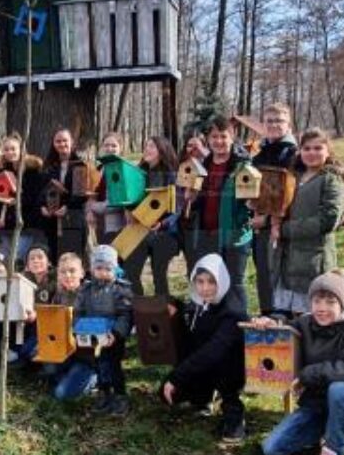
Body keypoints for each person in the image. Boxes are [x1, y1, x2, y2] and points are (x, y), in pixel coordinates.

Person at [254, 272, 344, 455]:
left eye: (330, 302)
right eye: (317, 301)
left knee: (338, 388)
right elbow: (289, 325)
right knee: (271, 449)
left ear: (342, 303)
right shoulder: (307, 322)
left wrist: (307, 375)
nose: (322, 308)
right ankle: (330, 432)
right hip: (317, 404)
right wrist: (271, 321)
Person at [159, 253, 247, 440]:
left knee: (223, 367)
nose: (205, 288)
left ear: (221, 281)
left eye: (211, 282)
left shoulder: (232, 311)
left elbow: (214, 350)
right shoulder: (199, 305)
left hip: (230, 368)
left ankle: (233, 412)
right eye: (200, 282)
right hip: (206, 365)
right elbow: (193, 338)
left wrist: (177, 377)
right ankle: (203, 397)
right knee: (168, 394)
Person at [271, 129, 344, 316]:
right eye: (307, 148)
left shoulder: (332, 179)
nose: (311, 153)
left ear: (328, 151)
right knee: (289, 317)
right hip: (287, 260)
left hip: (314, 260)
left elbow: (328, 220)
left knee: (313, 316)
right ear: (299, 151)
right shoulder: (293, 177)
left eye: (318, 148)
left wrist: (284, 230)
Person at [181, 117, 254, 314]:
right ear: (208, 139)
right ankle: (209, 320)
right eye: (214, 137)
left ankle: (237, 322)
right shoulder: (202, 165)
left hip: (234, 233)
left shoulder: (243, 165)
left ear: (232, 137)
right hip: (206, 233)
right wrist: (191, 197)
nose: (219, 141)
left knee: (234, 281)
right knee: (209, 280)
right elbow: (197, 200)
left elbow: (251, 203)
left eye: (223, 136)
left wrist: (250, 207)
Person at [53, 245, 133, 413]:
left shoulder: (120, 289)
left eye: (107, 269)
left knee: (113, 366)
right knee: (99, 365)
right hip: (92, 335)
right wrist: (79, 327)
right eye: (99, 268)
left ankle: (120, 395)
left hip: (112, 338)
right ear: (92, 269)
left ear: (115, 269)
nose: (103, 272)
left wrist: (116, 333)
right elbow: (78, 311)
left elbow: (125, 314)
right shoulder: (86, 290)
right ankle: (103, 393)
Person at [248, 103, 299, 315]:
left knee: (283, 277)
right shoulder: (259, 156)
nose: (274, 125)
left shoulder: (295, 156)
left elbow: (297, 196)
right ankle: (267, 320)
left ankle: (286, 321)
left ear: (289, 125)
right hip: (260, 228)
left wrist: (271, 220)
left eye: (279, 121)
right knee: (264, 276)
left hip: (285, 227)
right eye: (269, 121)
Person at [120, 136, 181, 298]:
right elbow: (131, 201)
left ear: (162, 150)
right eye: (146, 146)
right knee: (130, 272)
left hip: (165, 233)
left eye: (152, 146)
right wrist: (129, 210)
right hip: (140, 231)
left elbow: (177, 210)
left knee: (159, 274)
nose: (147, 149)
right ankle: (138, 306)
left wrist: (162, 224)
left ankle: (162, 308)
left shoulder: (171, 175)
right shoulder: (139, 174)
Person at [26, 128, 92, 260]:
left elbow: (80, 194)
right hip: (51, 221)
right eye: (58, 141)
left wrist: (67, 207)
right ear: (53, 143)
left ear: (71, 142)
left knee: (71, 258)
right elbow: (41, 191)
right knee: (53, 258)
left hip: (73, 219)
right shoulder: (49, 166)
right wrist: (42, 207)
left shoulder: (80, 165)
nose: (62, 144)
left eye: (65, 141)